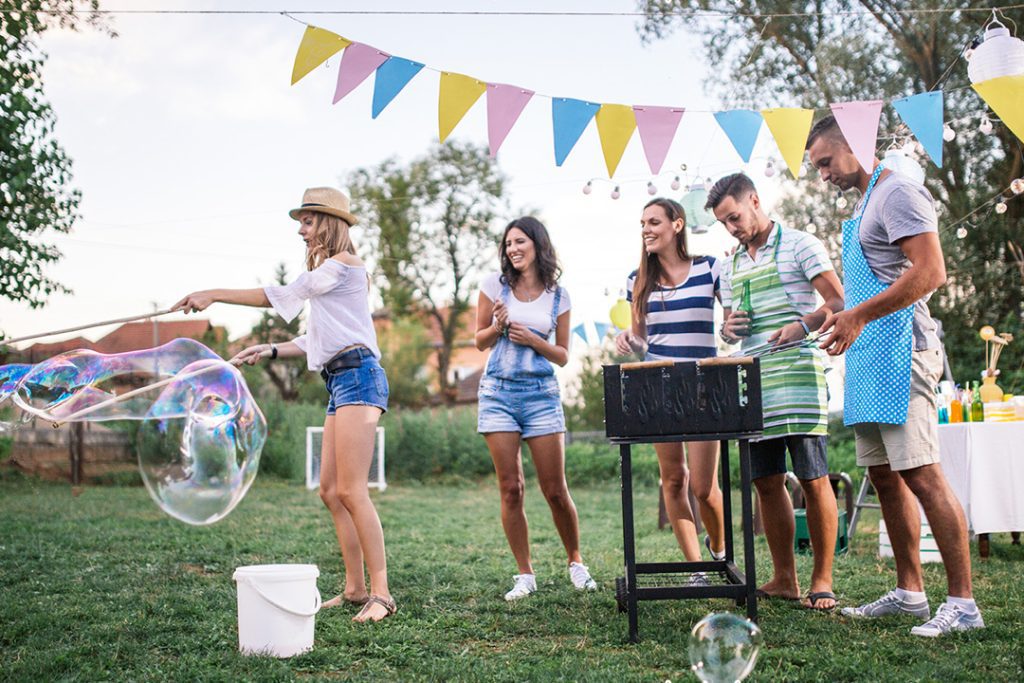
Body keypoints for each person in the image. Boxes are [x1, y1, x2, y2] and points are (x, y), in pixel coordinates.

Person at [172, 187, 396, 623]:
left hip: (360, 378)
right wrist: (269, 350)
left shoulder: (344, 266)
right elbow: (318, 339)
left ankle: (382, 594)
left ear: (330, 223)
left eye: (308, 221)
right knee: (332, 491)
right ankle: (354, 588)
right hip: (340, 380)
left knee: (352, 490)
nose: (301, 230)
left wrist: (213, 293)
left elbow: (282, 293)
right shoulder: (332, 279)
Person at [807, 115, 984, 636]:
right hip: (868, 355)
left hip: (904, 349)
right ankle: (910, 593)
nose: (823, 175)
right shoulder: (866, 202)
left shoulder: (898, 193)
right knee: (886, 476)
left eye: (826, 162)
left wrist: (858, 315)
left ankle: (964, 604)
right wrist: (844, 321)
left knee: (922, 472)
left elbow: (930, 271)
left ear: (856, 146)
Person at [707, 173, 844, 611]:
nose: (732, 227)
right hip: (755, 380)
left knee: (812, 476)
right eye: (724, 223)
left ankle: (820, 580)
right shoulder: (728, 266)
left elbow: (838, 302)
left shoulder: (802, 243)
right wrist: (727, 328)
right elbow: (730, 330)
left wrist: (802, 325)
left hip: (800, 375)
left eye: (735, 217)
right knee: (766, 482)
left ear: (754, 200)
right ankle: (785, 577)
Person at [474, 216, 598, 601]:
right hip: (497, 393)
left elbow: (562, 355)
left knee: (555, 489)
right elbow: (479, 341)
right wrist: (498, 327)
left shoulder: (559, 296)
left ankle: (576, 562)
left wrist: (531, 338)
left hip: (541, 394)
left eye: (520, 242)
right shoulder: (494, 287)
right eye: (508, 243)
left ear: (537, 244)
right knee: (511, 488)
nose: (512, 249)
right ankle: (524, 574)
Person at [614, 198, 726, 579]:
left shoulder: (710, 268)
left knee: (703, 485)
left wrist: (733, 329)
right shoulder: (637, 280)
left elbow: (729, 323)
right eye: (642, 222)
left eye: (654, 221)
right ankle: (696, 568)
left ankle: (720, 548)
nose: (646, 228)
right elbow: (642, 339)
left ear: (677, 225)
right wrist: (628, 339)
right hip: (659, 386)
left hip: (703, 387)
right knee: (674, 479)